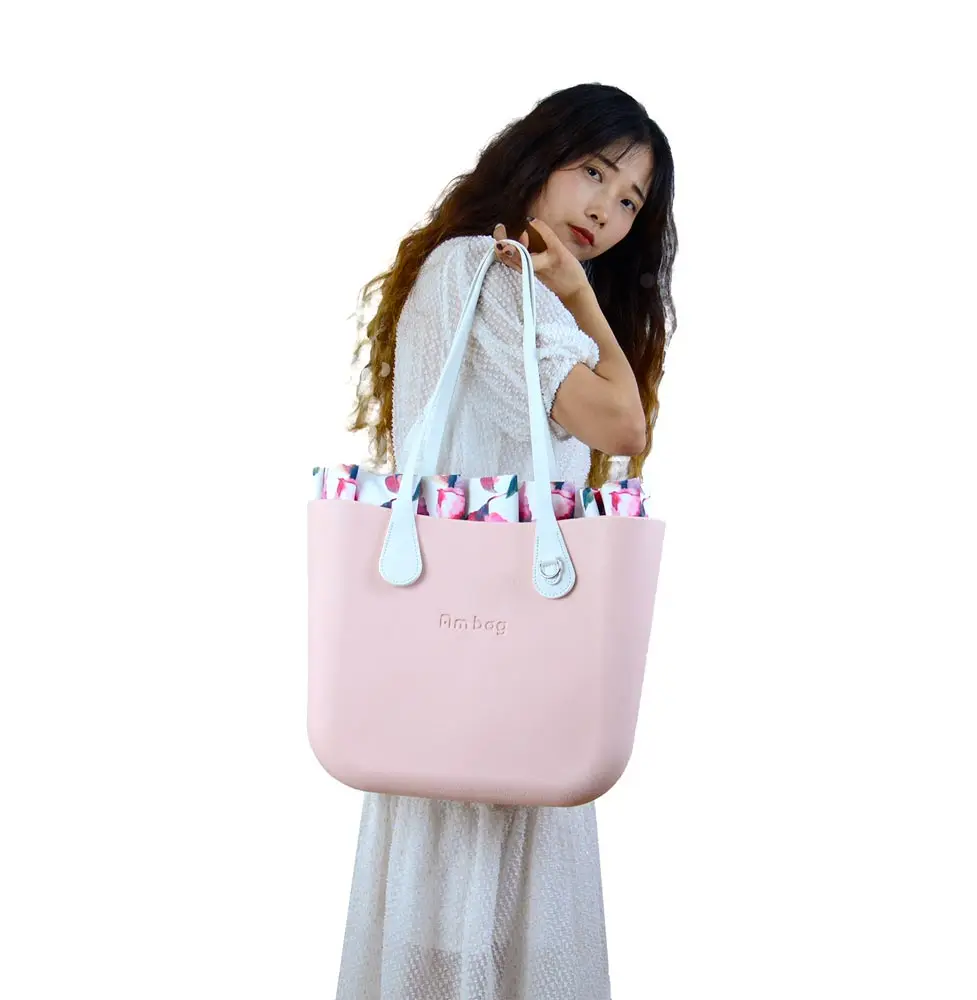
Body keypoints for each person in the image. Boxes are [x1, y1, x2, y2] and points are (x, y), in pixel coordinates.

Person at [336, 82, 678, 1000]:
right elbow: (623, 425)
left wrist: (573, 298)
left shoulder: (486, 275)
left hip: (472, 661)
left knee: (455, 902)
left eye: (630, 201)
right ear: (540, 155)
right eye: (594, 173)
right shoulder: (490, 273)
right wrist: (581, 299)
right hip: (492, 658)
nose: (605, 210)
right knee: (482, 905)